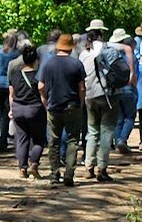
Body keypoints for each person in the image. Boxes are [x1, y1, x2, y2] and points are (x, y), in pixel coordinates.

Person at [37, 32, 86, 186]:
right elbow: (82, 88)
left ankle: (54, 173)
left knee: (53, 141)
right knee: (72, 140)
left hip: (53, 106)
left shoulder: (48, 63)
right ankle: (69, 174)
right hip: (72, 106)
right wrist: (81, 102)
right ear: (71, 48)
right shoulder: (76, 64)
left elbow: (40, 86)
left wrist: (45, 100)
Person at [79, 19, 119, 182]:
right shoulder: (109, 50)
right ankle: (102, 168)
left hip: (89, 95)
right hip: (107, 94)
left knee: (92, 131)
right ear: (102, 33)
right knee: (106, 131)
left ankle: (88, 166)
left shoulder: (83, 53)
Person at [7, 44, 47, 178]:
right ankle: (34, 163)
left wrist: (11, 110)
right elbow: (42, 95)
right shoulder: (38, 76)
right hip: (34, 109)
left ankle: (22, 168)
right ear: (36, 60)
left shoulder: (15, 75)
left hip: (18, 109)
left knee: (22, 139)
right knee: (39, 140)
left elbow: (11, 94)